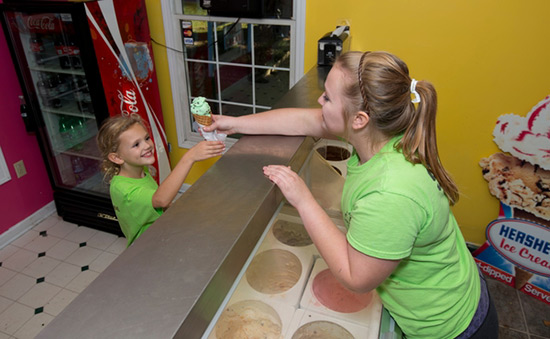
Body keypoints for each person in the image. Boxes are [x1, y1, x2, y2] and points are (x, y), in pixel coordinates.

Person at [204, 51, 499, 338]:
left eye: (328, 97)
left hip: (451, 326)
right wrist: (235, 123)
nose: (320, 101)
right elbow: (306, 121)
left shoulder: (391, 191)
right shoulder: (384, 132)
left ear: (359, 119)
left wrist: (303, 199)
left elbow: (356, 278)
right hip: (457, 289)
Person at [97, 114, 225, 247]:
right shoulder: (124, 189)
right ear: (117, 158)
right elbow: (160, 200)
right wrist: (189, 157)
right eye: (136, 145)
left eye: (146, 138)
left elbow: (157, 204)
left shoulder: (140, 170)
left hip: (161, 234)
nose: (147, 145)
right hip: (148, 247)